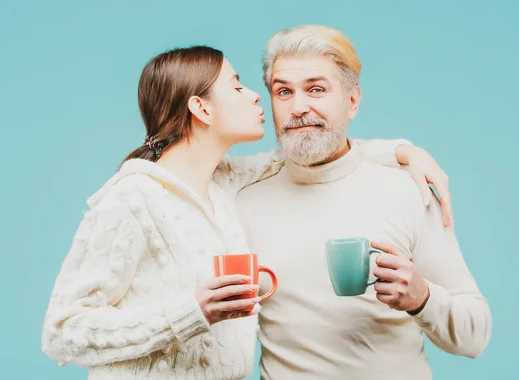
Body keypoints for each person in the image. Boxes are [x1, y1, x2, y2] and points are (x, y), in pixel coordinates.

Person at [41, 45, 452, 379]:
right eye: (236, 87)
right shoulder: (132, 198)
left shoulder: (227, 184)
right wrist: (191, 313)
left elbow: (311, 145)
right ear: (201, 109)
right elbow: (62, 332)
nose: (256, 95)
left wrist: (403, 151)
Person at [236, 25, 492, 380]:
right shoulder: (243, 199)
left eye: (316, 89)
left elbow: (475, 335)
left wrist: (423, 299)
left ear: (352, 101)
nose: (298, 107)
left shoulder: (407, 191)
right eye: (283, 92)